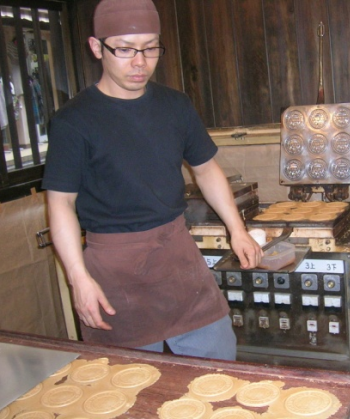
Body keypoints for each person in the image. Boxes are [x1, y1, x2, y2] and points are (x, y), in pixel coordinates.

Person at [42, 0, 262, 361]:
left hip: (176, 257)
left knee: (218, 366)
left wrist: (237, 229)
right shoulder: (73, 121)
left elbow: (206, 169)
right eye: (125, 50)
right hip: (113, 272)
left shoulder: (175, 106)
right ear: (97, 47)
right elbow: (61, 203)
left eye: (150, 48)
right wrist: (78, 279)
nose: (140, 62)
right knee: (123, 387)